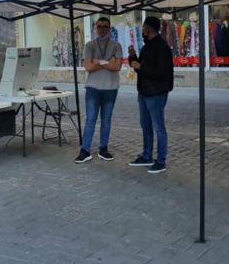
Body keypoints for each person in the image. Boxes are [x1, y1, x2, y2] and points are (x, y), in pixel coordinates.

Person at [127, 16, 174, 174]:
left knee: (158, 127)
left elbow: (162, 72)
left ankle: (161, 160)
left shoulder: (161, 47)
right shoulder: (147, 46)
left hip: (156, 93)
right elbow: (140, 66)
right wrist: (133, 57)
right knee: (145, 125)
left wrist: (141, 66)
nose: (141, 30)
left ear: (148, 28)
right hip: (144, 91)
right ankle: (146, 155)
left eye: (143, 27)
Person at [75, 17, 123, 163]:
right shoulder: (89, 45)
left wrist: (98, 62)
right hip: (93, 88)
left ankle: (103, 149)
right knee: (90, 119)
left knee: (106, 120)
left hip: (110, 88)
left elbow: (117, 67)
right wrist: (109, 62)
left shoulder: (116, 45)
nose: (102, 29)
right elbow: (88, 67)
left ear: (109, 28)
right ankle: (85, 150)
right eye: (99, 26)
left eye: (105, 26)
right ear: (96, 27)